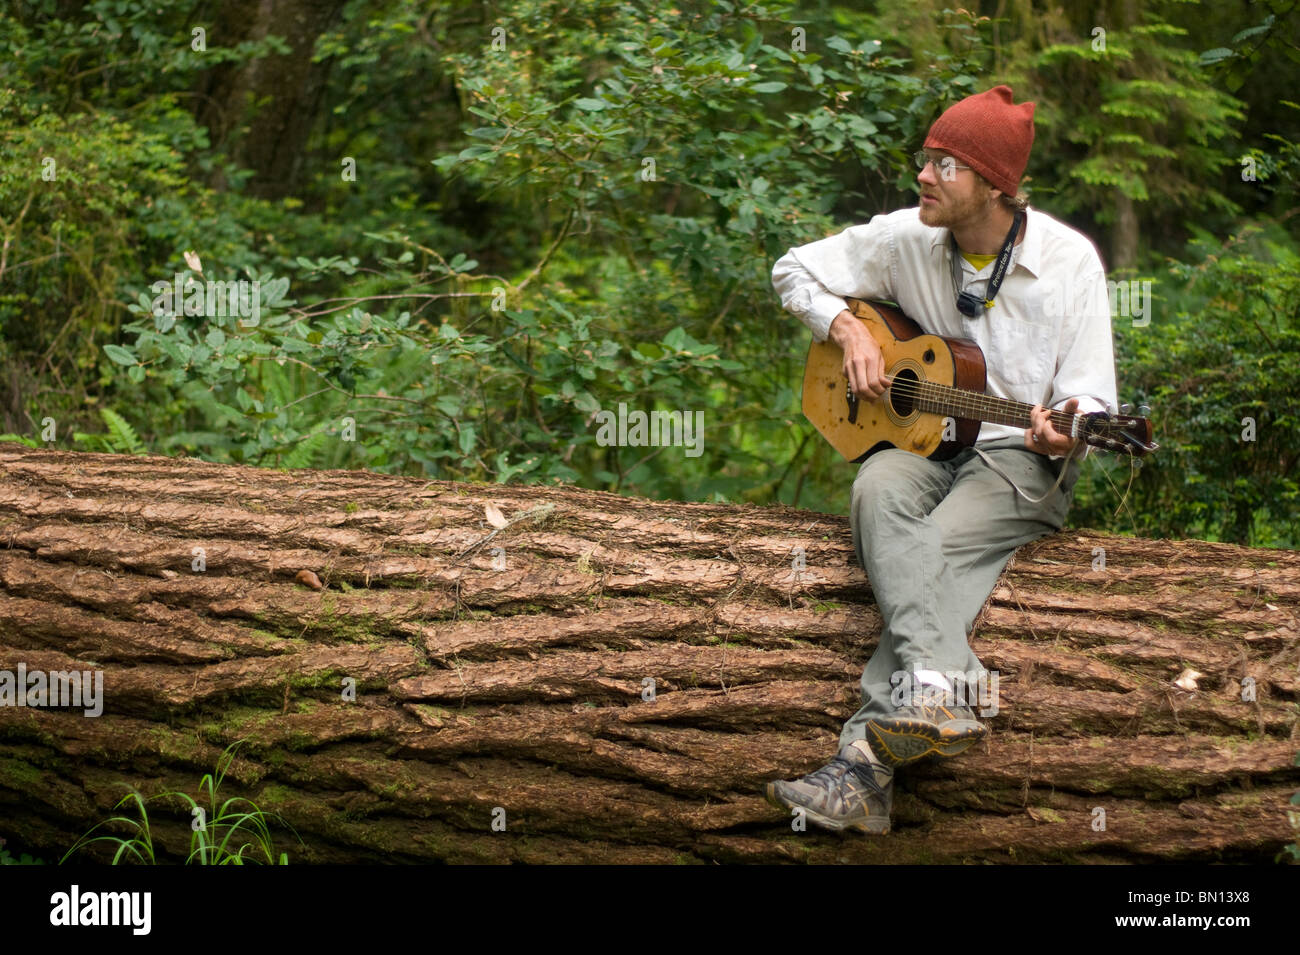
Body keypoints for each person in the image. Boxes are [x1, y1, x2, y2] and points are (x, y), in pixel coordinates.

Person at [766, 85, 1118, 835]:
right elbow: (792, 268)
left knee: (931, 548)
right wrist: (847, 330)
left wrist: (1069, 428)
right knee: (875, 489)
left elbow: (1089, 396)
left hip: (1016, 460)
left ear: (994, 186)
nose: (923, 175)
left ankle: (862, 764)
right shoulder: (905, 239)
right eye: (925, 158)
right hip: (924, 442)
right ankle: (943, 693)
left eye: (945, 165)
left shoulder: (1069, 264)